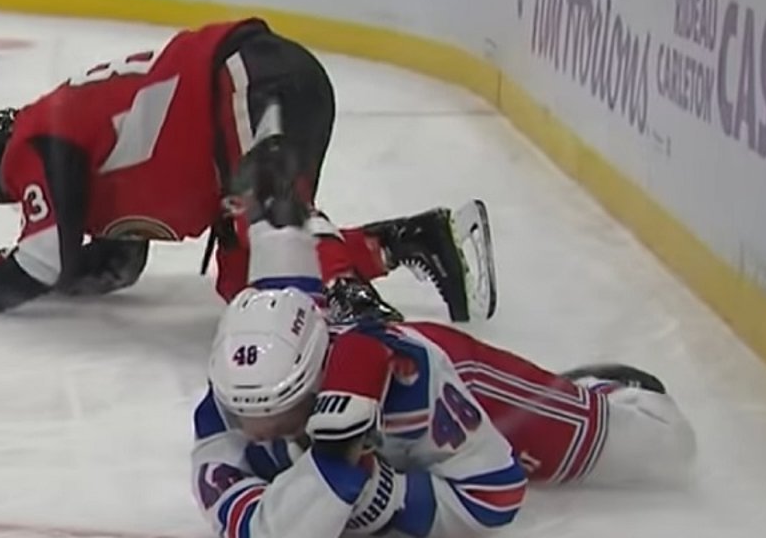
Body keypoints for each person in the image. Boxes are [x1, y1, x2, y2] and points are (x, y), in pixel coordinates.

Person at [190, 137, 696, 538]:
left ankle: (597, 399)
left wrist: (368, 491)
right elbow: (260, 533)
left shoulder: (414, 381)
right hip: (380, 397)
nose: (253, 430)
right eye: (241, 411)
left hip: (464, 382)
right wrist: (357, 481)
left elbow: (494, 494)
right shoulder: (224, 410)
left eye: (274, 411)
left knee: (657, 446)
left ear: (313, 382)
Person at [0, 17, 496, 321]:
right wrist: (14, 265)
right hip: (259, 82)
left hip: (243, 81)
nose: (28, 201)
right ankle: (416, 239)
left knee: (275, 239)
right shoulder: (83, 146)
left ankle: (365, 331)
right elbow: (115, 265)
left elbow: (44, 259)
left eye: (20, 198)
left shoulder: (35, 139)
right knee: (250, 282)